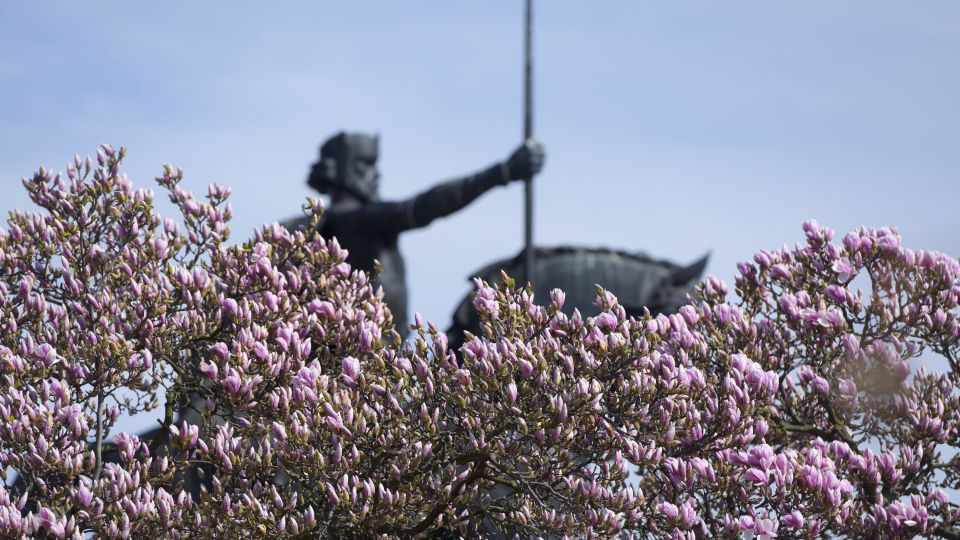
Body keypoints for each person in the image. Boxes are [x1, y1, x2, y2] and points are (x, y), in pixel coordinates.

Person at [285, 131, 545, 335]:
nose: (377, 174)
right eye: (367, 164)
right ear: (341, 170)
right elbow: (424, 206)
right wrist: (502, 172)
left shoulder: (348, 221)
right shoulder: (352, 220)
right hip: (367, 350)